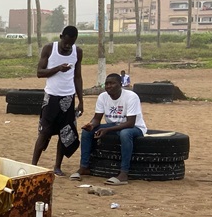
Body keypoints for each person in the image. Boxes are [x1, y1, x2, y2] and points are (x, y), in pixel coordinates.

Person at [71, 72, 148, 185]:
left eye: (112, 83)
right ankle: (84, 167)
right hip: (113, 126)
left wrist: (107, 130)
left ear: (120, 84)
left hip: (135, 127)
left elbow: (130, 123)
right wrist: (91, 125)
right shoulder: (103, 97)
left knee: (125, 134)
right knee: (87, 132)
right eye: (106, 84)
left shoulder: (131, 97)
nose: (108, 86)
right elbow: (97, 119)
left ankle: (124, 173)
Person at [32, 25, 84, 176]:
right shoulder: (49, 49)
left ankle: (57, 166)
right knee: (44, 132)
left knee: (65, 133)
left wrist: (81, 100)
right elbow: (39, 73)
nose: (68, 46)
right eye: (66, 42)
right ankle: (33, 164)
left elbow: (78, 77)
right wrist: (58, 68)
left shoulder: (77, 52)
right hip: (51, 97)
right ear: (61, 37)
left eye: (71, 43)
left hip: (68, 97)